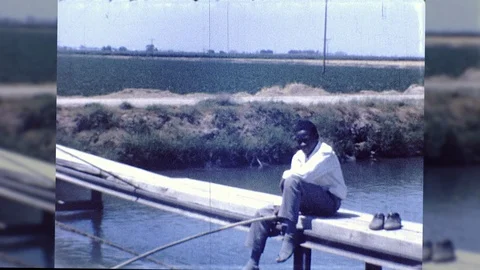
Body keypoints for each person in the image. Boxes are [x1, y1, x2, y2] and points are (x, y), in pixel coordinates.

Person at [243, 119, 347, 270]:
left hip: (329, 202)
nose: (302, 144)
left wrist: (286, 180)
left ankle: (290, 236)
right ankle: (253, 261)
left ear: (316, 138)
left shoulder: (326, 153)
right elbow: (293, 185)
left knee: (291, 180)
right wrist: (286, 204)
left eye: (306, 140)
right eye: (299, 141)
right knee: (262, 214)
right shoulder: (298, 156)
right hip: (307, 202)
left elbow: (302, 176)